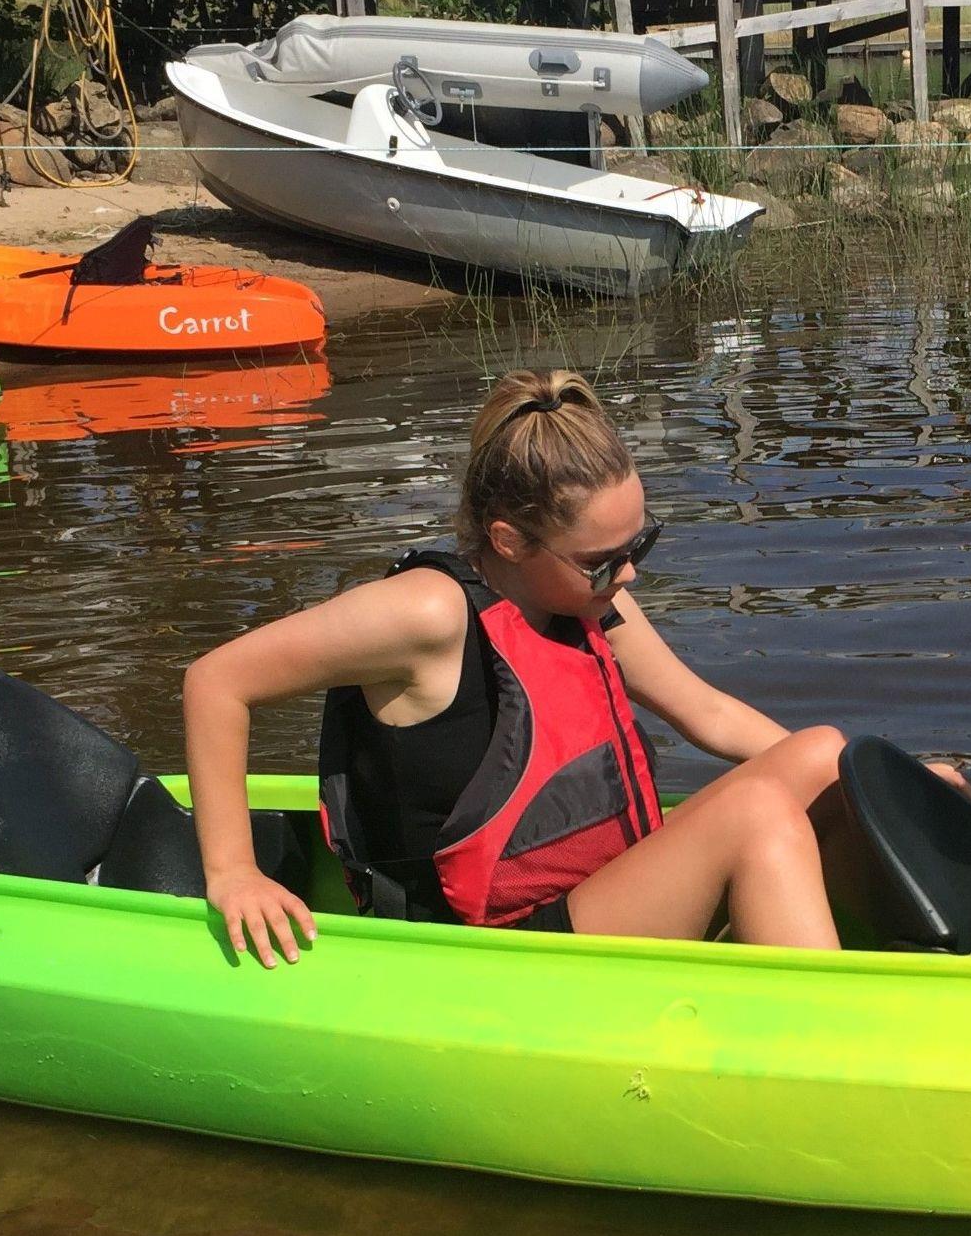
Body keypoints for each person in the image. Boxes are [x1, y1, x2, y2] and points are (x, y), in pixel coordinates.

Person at [187, 368, 912, 966]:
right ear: (508, 540)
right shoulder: (426, 614)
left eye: (639, 546)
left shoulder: (592, 601)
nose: (628, 575)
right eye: (602, 561)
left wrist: (889, 794)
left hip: (596, 898)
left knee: (825, 753)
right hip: (490, 951)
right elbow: (218, 681)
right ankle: (832, 1036)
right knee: (756, 815)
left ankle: (921, 956)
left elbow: (709, 713)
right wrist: (235, 872)